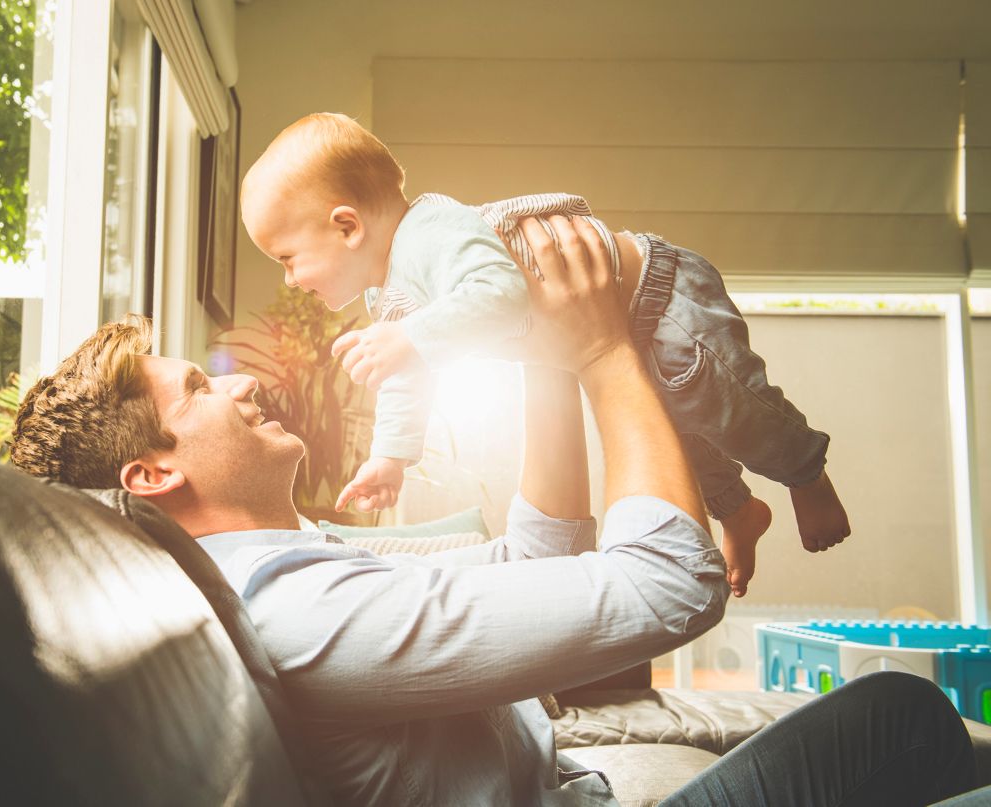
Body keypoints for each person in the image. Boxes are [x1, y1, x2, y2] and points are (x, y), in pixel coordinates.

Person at [10, 213, 974, 806]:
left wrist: (541, 356)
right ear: (151, 473)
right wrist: (602, 352)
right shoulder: (301, 615)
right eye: (198, 390)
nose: (240, 386)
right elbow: (673, 587)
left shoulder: (290, 558)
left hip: (562, 779)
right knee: (899, 711)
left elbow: (531, 556)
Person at [239, 111, 850, 597]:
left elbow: (499, 295)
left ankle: (806, 472)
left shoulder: (430, 232)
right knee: (681, 432)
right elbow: (409, 371)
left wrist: (411, 339)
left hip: (659, 296)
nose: (289, 280)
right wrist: (392, 457)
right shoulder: (388, 293)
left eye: (287, 258)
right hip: (614, 323)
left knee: (726, 406)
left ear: (347, 226)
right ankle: (738, 511)